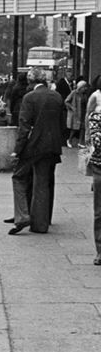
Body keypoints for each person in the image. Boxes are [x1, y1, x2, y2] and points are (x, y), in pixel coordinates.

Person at [6, 67, 65, 235]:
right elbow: (61, 124)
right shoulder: (57, 97)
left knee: (18, 177)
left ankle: (23, 216)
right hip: (52, 145)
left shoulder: (29, 98)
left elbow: (24, 128)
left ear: (31, 82)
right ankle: (41, 223)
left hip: (33, 146)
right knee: (43, 182)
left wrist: (16, 151)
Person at [84, 75, 101, 265]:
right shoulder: (95, 114)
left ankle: (100, 251)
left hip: (98, 164)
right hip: (98, 163)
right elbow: (90, 135)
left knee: (99, 211)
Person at [65, 80, 89, 149]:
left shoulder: (84, 94)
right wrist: (72, 107)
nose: (85, 88)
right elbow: (66, 101)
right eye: (84, 87)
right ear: (81, 87)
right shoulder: (74, 93)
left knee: (82, 128)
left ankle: (80, 142)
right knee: (75, 128)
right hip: (76, 113)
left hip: (83, 112)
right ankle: (69, 140)